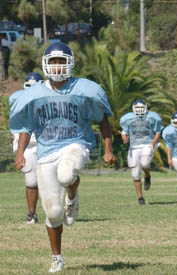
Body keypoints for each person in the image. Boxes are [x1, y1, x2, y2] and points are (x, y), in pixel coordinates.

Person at [9, 42, 116, 273]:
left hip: (76, 144)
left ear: (70, 63)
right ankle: (56, 257)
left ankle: (72, 194)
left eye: (61, 61)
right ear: (45, 64)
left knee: (67, 173)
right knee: (54, 213)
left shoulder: (84, 90)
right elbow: (26, 126)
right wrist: (20, 154)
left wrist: (108, 149)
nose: (57, 67)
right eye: (53, 62)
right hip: (46, 151)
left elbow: (103, 119)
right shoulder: (35, 94)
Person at [9, 72, 44, 224]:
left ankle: (56, 209)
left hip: (47, 141)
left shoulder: (48, 98)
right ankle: (32, 213)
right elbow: (16, 120)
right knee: (30, 181)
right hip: (28, 144)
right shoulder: (18, 98)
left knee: (54, 178)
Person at [120, 99, 162, 205]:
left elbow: (158, 131)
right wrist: (124, 138)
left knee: (145, 163)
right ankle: (140, 198)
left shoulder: (153, 117)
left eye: (141, 108)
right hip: (134, 146)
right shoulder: (127, 118)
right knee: (135, 173)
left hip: (147, 144)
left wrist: (154, 142)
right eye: (137, 108)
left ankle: (147, 176)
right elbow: (124, 131)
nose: (139, 111)